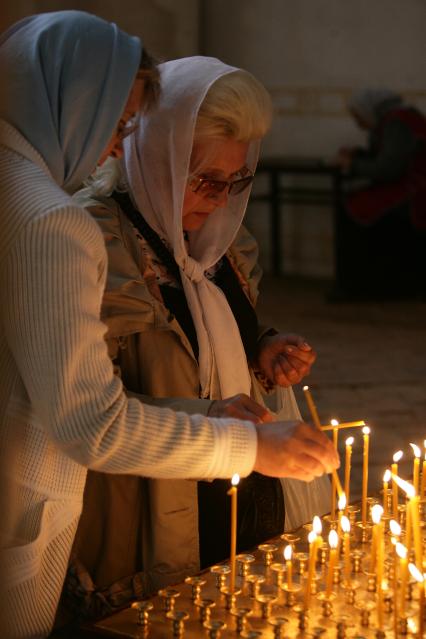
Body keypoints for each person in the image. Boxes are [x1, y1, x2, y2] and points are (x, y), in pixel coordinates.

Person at [0, 13, 339, 637]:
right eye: (204, 178)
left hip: (225, 478)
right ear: (156, 151)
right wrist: (246, 442)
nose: (218, 198)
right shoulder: (71, 228)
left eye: (237, 181)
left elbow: (208, 333)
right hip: (146, 504)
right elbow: (91, 411)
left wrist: (260, 355)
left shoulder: (220, 246)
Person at [332, 88, 426, 301]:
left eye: (359, 117)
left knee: (351, 207)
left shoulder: (397, 122)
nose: (359, 123)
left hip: (413, 192)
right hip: (410, 186)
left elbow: (388, 169)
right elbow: (390, 157)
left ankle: (360, 285)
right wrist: (359, 156)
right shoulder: (397, 118)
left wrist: (352, 164)